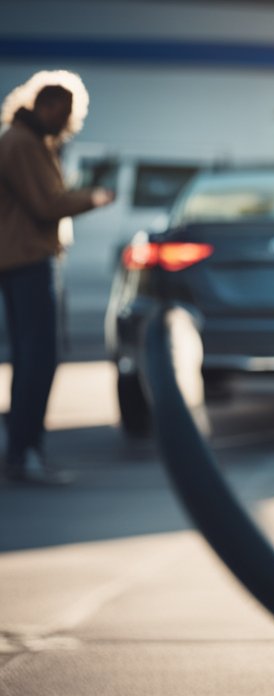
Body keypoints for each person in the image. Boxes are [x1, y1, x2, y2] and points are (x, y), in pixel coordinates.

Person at [0, 71, 112, 485]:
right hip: (27, 260)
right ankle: (23, 451)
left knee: (30, 357)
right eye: (61, 112)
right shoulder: (23, 144)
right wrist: (95, 197)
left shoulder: (26, 140)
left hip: (22, 259)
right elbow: (47, 205)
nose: (64, 120)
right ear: (44, 105)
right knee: (38, 359)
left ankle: (22, 449)